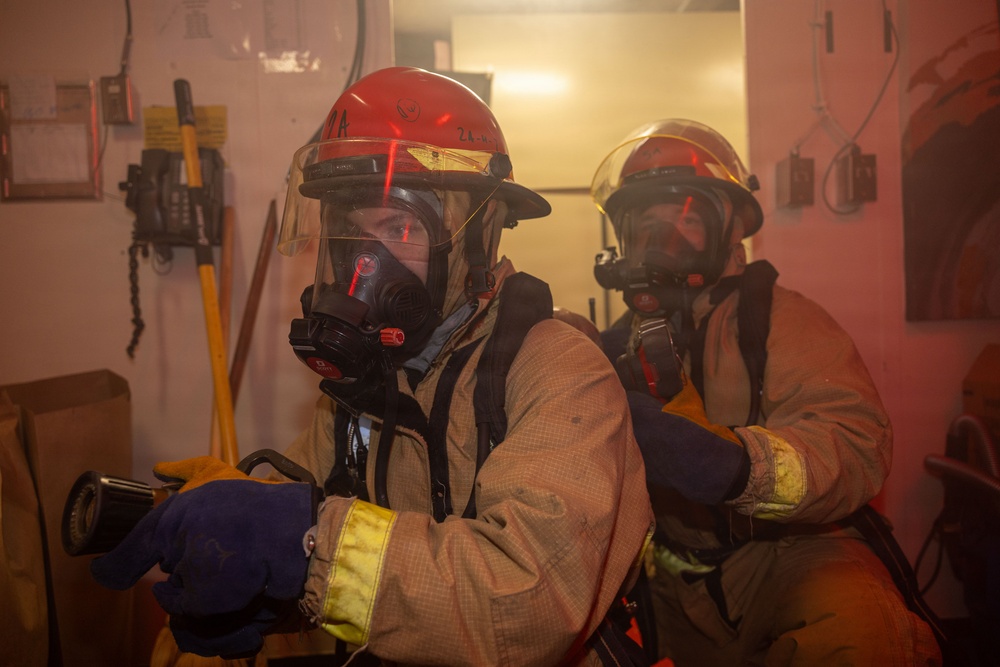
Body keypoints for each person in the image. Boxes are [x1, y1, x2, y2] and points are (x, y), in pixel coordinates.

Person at [89, 67, 654, 666]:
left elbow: (526, 605)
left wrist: (305, 546)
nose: (364, 262)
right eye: (348, 232)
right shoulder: (364, 379)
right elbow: (306, 504)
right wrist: (244, 555)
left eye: (399, 226)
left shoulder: (560, 372)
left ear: (478, 238)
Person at [590, 118, 942, 666]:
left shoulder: (781, 321)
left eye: (685, 221)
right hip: (670, 570)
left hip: (787, 552)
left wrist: (735, 465)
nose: (663, 244)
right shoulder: (615, 346)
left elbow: (855, 444)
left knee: (866, 640)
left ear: (730, 228)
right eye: (645, 225)